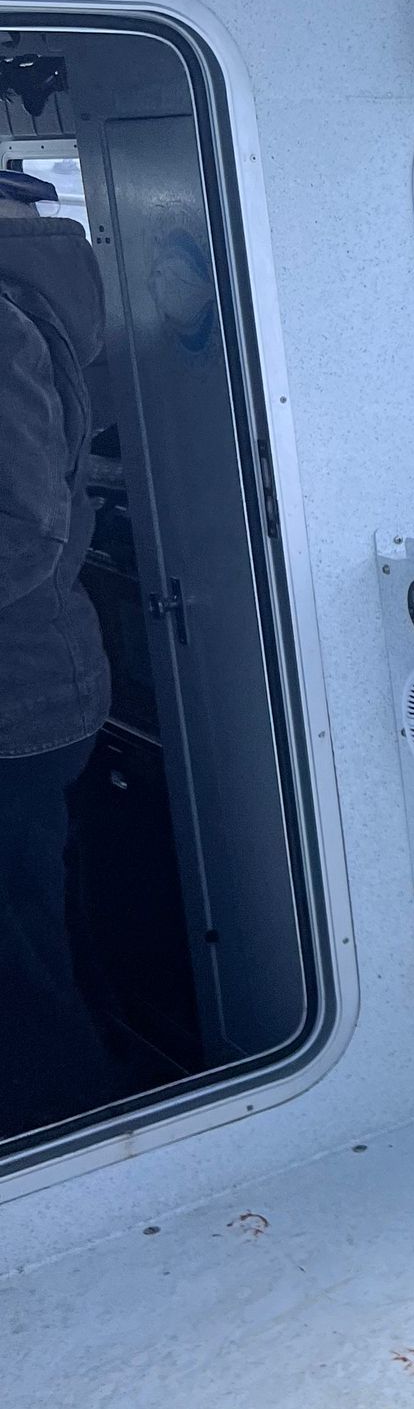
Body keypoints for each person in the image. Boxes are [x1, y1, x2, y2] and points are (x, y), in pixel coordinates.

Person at [0, 163, 116, 1138]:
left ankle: (73, 1146)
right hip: (41, 687)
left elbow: (23, 529)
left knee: (20, 975)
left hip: (16, 702)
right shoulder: (33, 286)